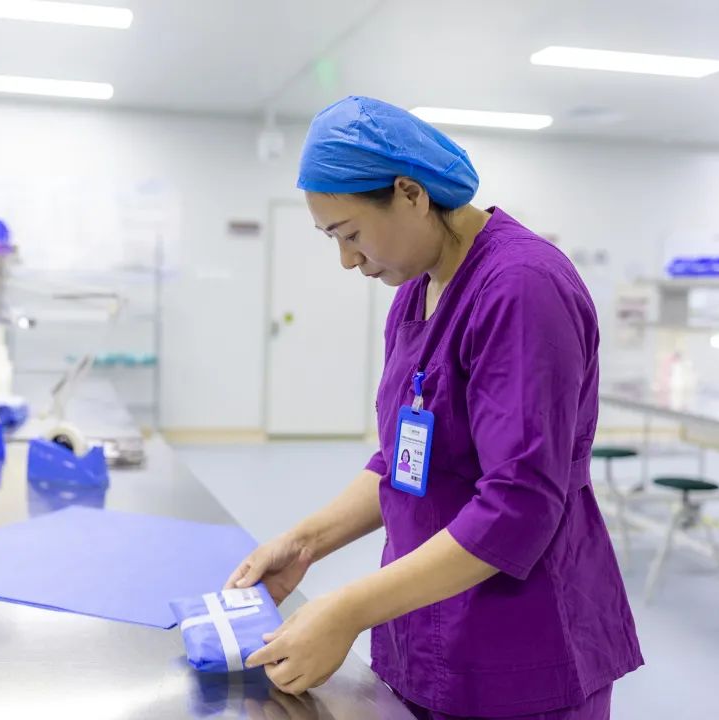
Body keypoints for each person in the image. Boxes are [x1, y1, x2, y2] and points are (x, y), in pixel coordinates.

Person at [227, 96, 643, 720]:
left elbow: (519, 504)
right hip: (427, 629)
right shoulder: (417, 291)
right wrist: (305, 542)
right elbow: (406, 459)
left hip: (521, 644)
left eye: (351, 234)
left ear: (410, 194)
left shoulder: (521, 288)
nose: (347, 260)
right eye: (332, 239)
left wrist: (348, 609)